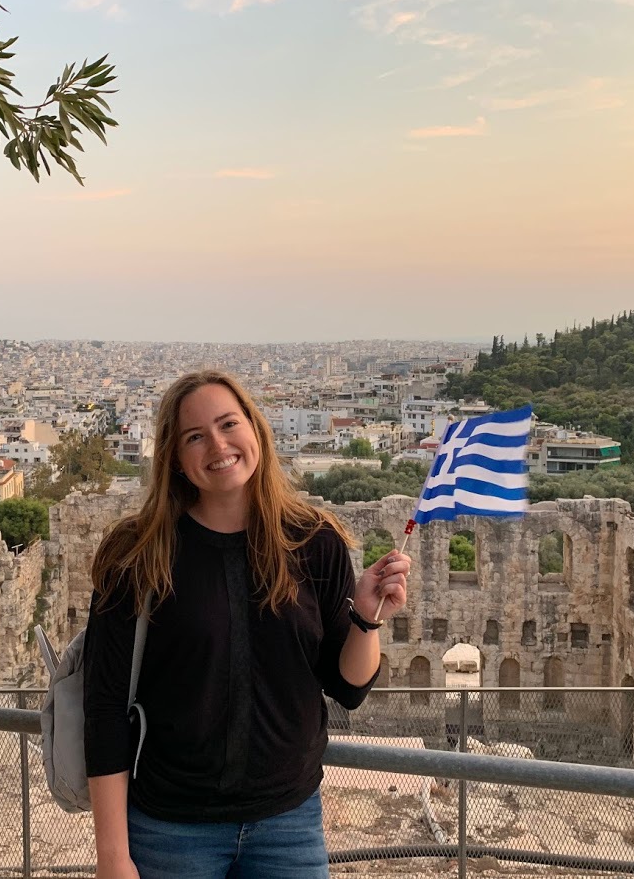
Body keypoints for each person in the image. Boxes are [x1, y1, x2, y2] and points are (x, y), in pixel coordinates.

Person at [82, 370, 411, 879]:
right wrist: (112, 856)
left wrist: (365, 619)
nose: (218, 445)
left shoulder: (313, 541)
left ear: (255, 429)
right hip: (172, 827)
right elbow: (104, 706)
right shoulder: (138, 553)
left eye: (228, 424)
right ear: (175, 457)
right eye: (195, 436)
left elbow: (347, 688)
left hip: (288, 823)